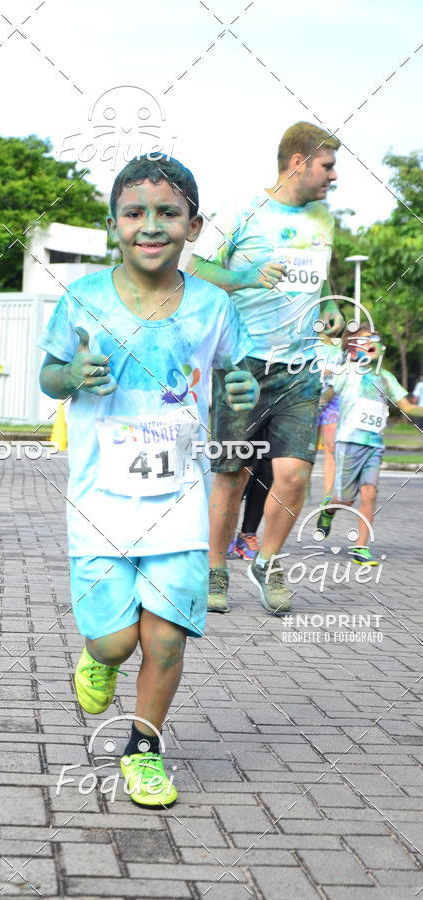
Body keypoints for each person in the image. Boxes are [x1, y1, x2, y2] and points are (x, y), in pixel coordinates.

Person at [38, 156, 258, 808]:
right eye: (134, 213)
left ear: (193, 225)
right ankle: (98, 658)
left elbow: (237, 373)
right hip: (100, 499)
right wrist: (71, 376)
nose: (151, 225)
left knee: (165, 637)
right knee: (115, 641)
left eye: (168, 213)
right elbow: (49, 376)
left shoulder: (214, 306)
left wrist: (242, 391)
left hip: (180, 500)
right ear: (114, 225)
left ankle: (143, 749)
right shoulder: (83, 298)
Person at [188, 121, 344, 615]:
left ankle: (267, 561)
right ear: (298, 162)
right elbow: (195, 269)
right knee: (232, 474)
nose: (333, 176)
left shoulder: (322, 218)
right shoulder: (243, 209)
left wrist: (328, 308)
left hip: (301, 367)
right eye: (327, 166)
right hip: (243, 364)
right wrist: (246, 277)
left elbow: (319, 280)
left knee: (294, 475)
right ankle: (215, 569)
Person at [316, 325, 423, 564]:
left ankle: (360, 547)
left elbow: (407, 407)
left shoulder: (386, 378)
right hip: (349, 443)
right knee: (346, 500)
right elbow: (326, 396)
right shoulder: (346, 372)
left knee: (369, 493)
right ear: (353, 350)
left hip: (374, 445)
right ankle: (329, 510)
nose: (371, 342)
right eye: (364, 340)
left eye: (375, 339)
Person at [315, 327, 345, 501]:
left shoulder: (342, 346)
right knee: (307, 449)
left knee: (331, 447)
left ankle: (327, 495)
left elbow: (349, 369)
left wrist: (333, 372)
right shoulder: (308, 342)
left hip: (333, 400)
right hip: (309, 397)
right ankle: (303, 489)